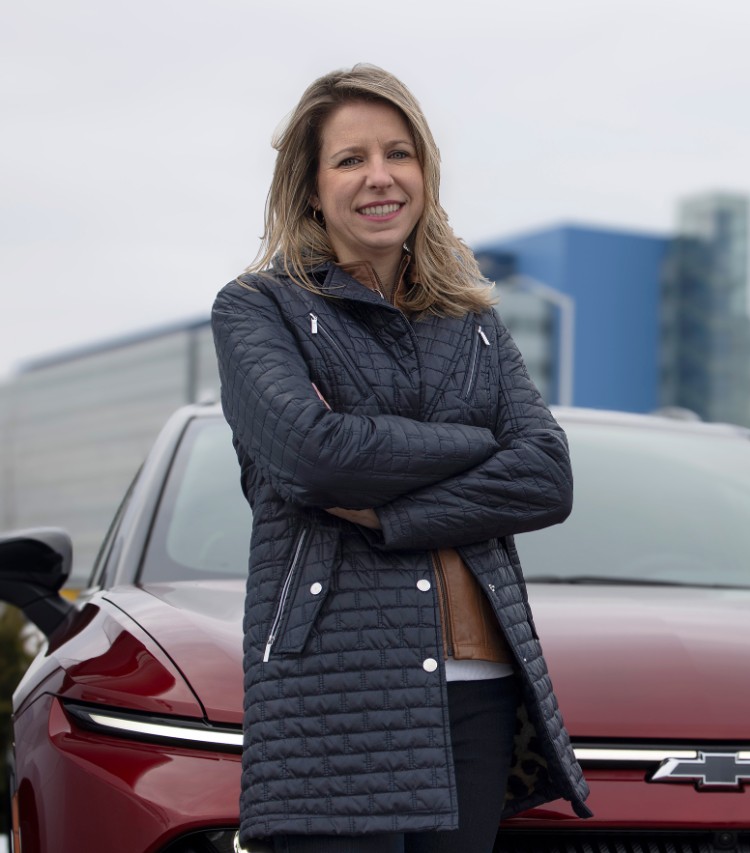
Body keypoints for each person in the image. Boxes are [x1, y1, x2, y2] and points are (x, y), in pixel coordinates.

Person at [211, 64, 591, 853]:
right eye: (351, 159)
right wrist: (480, 445)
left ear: (425, 172)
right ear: (311, 187)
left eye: (399, 154)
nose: (379, 177)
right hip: (337, 686)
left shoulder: (475, 323)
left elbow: (548, 476)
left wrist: (392, 511)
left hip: (480, 685)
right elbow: (316, 459)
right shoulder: (258, 308)